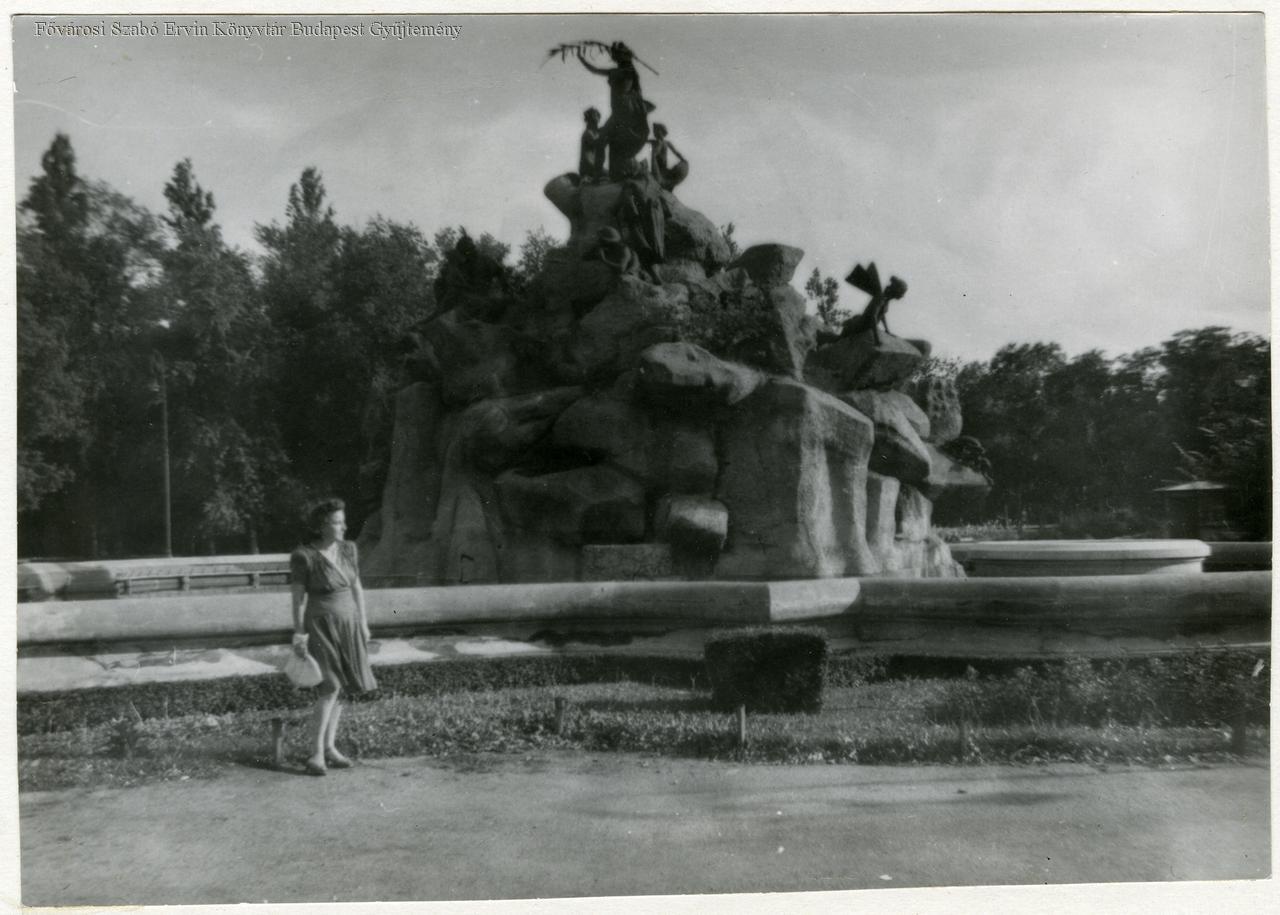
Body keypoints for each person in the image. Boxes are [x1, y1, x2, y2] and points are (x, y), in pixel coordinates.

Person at [290, 497, 377, 775]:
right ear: (321, 526)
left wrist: (363, 624)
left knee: (342, 688)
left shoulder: (349, 549)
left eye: (343, 521)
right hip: (320, 626)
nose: (344, 527)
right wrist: (299, 635)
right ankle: (315, 754)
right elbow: (298, 601)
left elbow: (357, 588)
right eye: (338, 522)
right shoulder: (304, 556)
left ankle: (329, 748)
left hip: (349, 624)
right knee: (329, 686)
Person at [576, 42, 655, 178]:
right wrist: (581, 58)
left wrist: (616, 76)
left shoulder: (629, 72)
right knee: (601, 142)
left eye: (616, 54)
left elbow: (624, 89)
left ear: (623, 56)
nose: (614, 57)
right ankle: (597, 176)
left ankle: (616, 172)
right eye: (614, 55)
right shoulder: (616, 71)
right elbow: (595, 70)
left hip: (625, 115)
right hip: (617, 115)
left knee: (606, 143)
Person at [647, 123, 688, 191]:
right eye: (654, 131)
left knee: (661, 180)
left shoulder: (666, 143)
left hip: (662, 168)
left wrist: (683, 159)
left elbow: (676, 152)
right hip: (657, 167)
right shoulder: (655, 142)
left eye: (657, 131)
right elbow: (645, 141)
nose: (655, 133)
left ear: (662, 132)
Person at [579, 107, 603, 182]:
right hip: (588, 168)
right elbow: (598, 143)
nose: (597, 124)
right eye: (594, 121)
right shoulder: (588, 134)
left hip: (591, 167)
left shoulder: (593, 133)